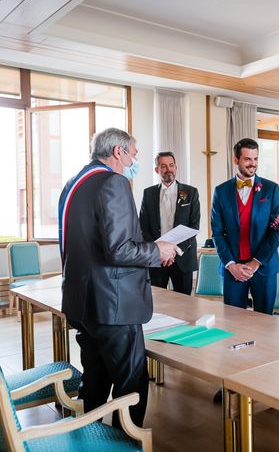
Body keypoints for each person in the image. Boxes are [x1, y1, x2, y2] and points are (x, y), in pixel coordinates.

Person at [58, 128, 179, 427]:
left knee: (96, 377)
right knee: (131, 382)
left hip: (83, 302)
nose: (132, 162)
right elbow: (120, 249)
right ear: (118, 152)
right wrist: (157, 250)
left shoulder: (73, 184)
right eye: (133, 155)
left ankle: (91, 437)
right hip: (114, 303)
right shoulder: (114, 182)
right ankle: (128, 441)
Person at [211, 138, 279, 314]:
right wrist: (230, 265)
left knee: (265, 323)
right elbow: (217, 232)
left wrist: (256, 262)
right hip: (233, 270)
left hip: (263, 268)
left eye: (256, 159)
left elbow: (278, 229)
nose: (253, 164)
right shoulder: (221, 191)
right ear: (236, 160)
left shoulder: (271, 189)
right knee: (233, 322)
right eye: (247, 159)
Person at [139, 151, 200, 294]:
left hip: (182, 257)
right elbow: (143, 227)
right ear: (157, 170)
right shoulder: (148, 193)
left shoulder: (191, 192)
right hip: (156, 258)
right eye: (164, 166)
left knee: (184, 305)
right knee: (158, 303)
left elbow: (194, 226)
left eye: (171, 165)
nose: (168, 169)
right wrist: (158, 251)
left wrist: (173, 251)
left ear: (176, 167)